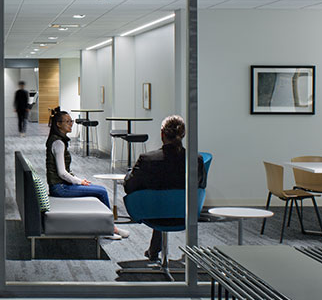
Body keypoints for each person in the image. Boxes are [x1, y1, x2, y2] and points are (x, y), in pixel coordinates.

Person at [123, 115, 207, 261]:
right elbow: (201, 185)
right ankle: (155, 249)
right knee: (171, 198)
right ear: (183, 134)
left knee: (160, 199)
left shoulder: (147, 159)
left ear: (162, 134)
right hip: (185, 214)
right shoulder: (196, 159)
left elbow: (129, 186)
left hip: (153, 213)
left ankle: (154, 250)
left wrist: (130, 175)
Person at [45, 107, 129, 239]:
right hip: (59, 188)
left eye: (71, 121)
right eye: (67, 121)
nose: (70, 124)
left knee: (100, 189)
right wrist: (79, 181)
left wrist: (78, 180)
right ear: (58, 124)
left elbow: (64, 172)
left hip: (60, 185)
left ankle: (109, 227)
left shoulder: (57, 140)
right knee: (101, 191)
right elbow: (62, 173)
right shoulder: (58, 143)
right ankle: (110, 229)